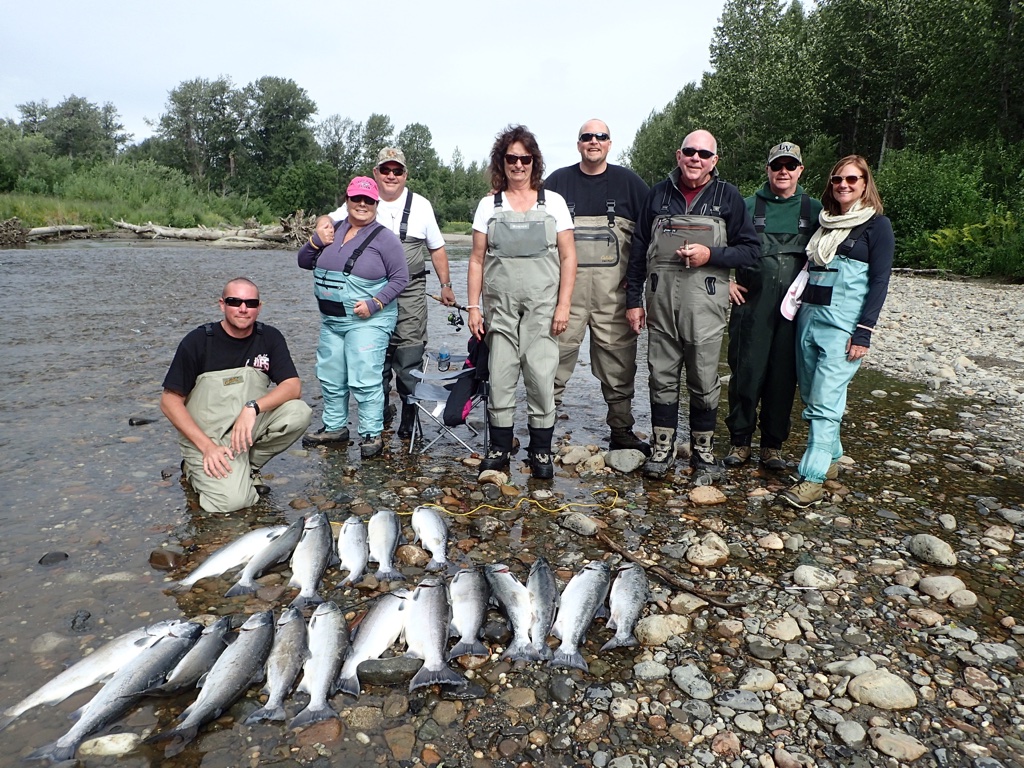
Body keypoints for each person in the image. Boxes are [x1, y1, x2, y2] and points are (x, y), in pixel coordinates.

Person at [625, 129, 761, 479]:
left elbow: (751, 252)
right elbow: (638, 251)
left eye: (703, 154)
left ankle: (702, 452)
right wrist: (633, 301)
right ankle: (662, 448)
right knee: (661, 377)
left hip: (706, 306)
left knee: (703, 379)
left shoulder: (728, 197)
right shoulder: (657, 195)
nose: (695, 159)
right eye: (690, 152)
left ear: (714, 160)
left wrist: (710, 254)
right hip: (659, 305)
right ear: (678, 155)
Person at [780, 155, 894, 508]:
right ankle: (831, 458)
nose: (843, 185)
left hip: (843, 326)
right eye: (837, 180)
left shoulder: (877, 226)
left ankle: (811, 479)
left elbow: (880, 281)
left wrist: (864, 331)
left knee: (826, 400)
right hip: (809, 320)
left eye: (852, 179)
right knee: (815, 396)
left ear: (865, 184)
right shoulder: (825, 224)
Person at [466, 124, 577, 480]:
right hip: (499, 311)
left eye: (524, 159)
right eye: (511, 158)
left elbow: (569, 257)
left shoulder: (554, 202)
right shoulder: (488, 205)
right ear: (502, 161)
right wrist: (473, 307)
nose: (518, 165)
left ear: (534, 162)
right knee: (499, 378)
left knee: (542, 379)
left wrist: (564, 306)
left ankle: (540, 451)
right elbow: (477, 259)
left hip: (544, 311)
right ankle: (499, 448)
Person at [328, 147, 456, 439]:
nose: (391, 175)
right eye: (385, 170)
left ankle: (409, 418)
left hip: (410, 290)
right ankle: (380, 413)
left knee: (408, 355)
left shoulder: (421, 205)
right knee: (374, 355)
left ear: (405, 175)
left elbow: (436, 248)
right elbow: (329, 222)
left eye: (397, 171)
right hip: (368, 290)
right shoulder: (362, 201)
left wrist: (446, 285)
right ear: (376, 173)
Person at [545, 119, 651, 455]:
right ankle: (542, 433)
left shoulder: (631, 184)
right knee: (552, 364)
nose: (594, 141)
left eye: (600, 136)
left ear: (609, 143)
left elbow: (649, 240)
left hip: (614, 299)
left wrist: (635, 292)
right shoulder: (556, 182)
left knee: (619, 367)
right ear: (578, 144)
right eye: (587, 137)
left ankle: (621, 431)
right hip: (566, 299)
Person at [161, 278, 312, 513]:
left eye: (250, 303)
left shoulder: (269, 337)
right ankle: (192, 470)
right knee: (233, 504)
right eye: (235, 302)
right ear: (222, 304)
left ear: (259, 307)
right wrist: (207, 447)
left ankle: (248, 466)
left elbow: (293, 386)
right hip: (207, 438)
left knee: (299, 412)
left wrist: (253, 407)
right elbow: (169, 401)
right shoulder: (198, 341)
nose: (243, 309)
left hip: (246, 428)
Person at [724, 142, 823, 470]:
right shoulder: (747, 206)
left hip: (796, 313)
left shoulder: (815, 210)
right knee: (746, 373)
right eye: (777, 166)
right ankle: (740, 442)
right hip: (751, 308)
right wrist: (725, 280)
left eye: (789, 166)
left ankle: (772, 446)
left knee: (783, 377)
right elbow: (719, 245)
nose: (783, 171)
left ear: (800, 170)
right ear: (767, 169)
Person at [299, 176, 409, 458]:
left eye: (368, 200)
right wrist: (314, 241)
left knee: (365, 376)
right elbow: (303, 261)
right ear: (346, 201)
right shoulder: (331, 230)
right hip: (331, 320)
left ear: (376, 203)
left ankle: (371, 433)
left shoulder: (386, 239)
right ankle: (335, 427)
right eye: (356, 199)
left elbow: (400, 279)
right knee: (331, 374)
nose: (362, 204)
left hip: (367, 321)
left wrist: (374, 303)